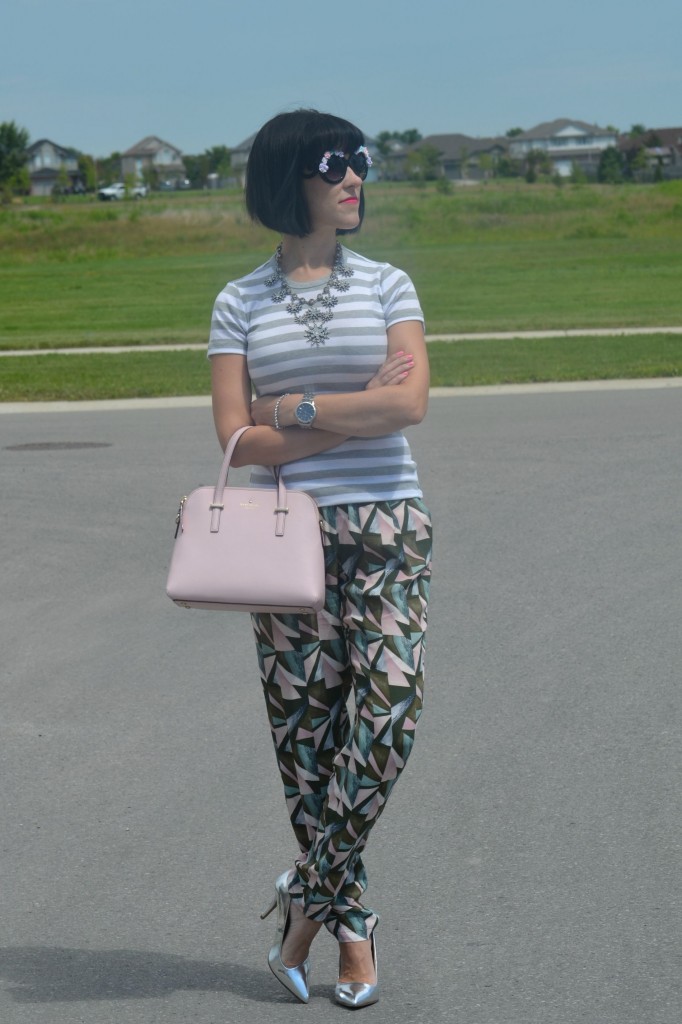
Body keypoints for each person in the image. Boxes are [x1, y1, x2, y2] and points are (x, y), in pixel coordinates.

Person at [208, 109, 433, 1009]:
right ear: (286, 179)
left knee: (389, 714)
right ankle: (352, 934)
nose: (354, 178)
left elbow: (410, 405)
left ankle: (301, 906)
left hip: (390, 527)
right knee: (312, 746)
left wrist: (294, 409)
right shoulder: (239, 301)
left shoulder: (389, 284)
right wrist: (340, 408)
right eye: (333, 163)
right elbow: (235, 439)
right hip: (287, 536)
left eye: (360, 162)